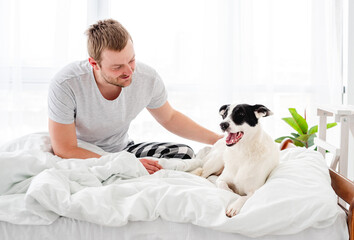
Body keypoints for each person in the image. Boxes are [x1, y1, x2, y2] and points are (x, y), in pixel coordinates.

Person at [48, 19, 222, 174]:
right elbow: (65, 149)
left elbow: (169, 118)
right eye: (117, 67)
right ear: (94, 64)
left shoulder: (148, 78)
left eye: (131, 60)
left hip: (123, 150)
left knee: (185, 154)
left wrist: (217, 140)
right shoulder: (66, 84)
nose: (129, 71)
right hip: (82, 152)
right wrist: (122, 164)